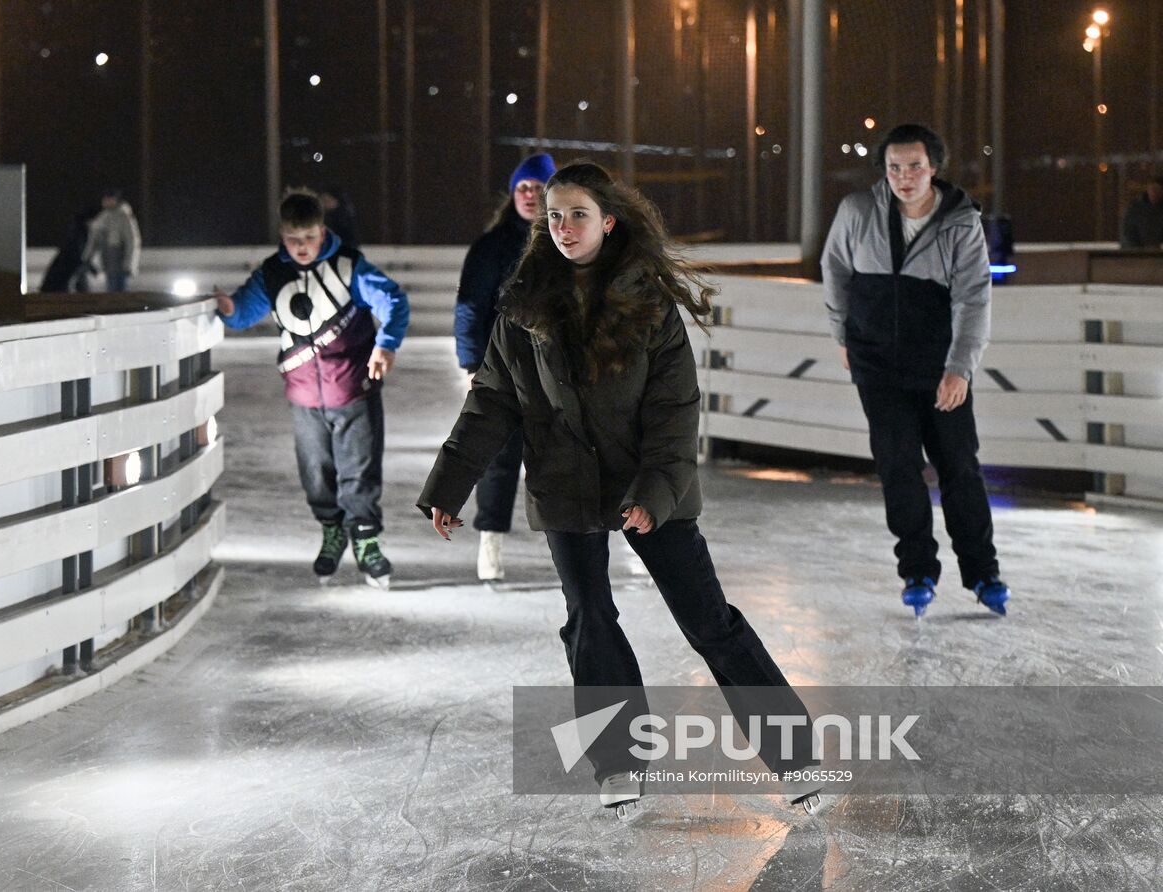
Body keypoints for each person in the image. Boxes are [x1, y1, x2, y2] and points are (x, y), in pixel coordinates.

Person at [418, 162, 818, 816]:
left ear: (608, 220)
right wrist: (451, 483)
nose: (564, 227)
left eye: (577, 214)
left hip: (648, 483)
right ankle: (618, 759)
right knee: (590, 618)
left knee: (709, 623)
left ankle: (797, 753)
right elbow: (492, 400)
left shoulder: (649, 302)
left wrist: (654, 494)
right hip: (566, 481)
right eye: (553, 216)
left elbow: (674, 411)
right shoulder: (524, 304)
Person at [821, 122, 1011, 618]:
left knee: (958, 465)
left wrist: (960, 369)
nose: (904, 177)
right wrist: (843, 333)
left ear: (934, 169)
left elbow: (973, 298)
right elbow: (836, 270)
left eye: (915, 167)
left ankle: (983, 571)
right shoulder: (857, 212)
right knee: (898, 466)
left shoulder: (960, 221)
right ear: (884, 170)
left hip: (938, 367)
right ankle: (918, 572)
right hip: (877, 365)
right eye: (895, 168)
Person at [216, 188, 410, 587]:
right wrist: (228, 308)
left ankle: (366, 540)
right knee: (316, 475)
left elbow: (393, 300)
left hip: (354, 388)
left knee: (359, 472)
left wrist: (385, 345)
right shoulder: (272, 273)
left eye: (309, 237)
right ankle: (332, 531)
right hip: (304, 396)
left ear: (323, 231)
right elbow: (242, 313)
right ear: (282, 236)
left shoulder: (349, 266)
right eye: (293, 239)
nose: (302, 247)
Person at [454, 152, 556, 581]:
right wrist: (470, 364)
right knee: (498, 457)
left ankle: (566, 543)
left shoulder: (566, 242)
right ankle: (490, 541)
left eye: (538, 188)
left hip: (556, 371)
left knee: (557, 459)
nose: (530, 195)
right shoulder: (491, 246)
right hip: (502, 368)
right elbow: (469, 307)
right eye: (523, 188)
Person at [83, 189, 141, 292]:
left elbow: (131, 241)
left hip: (120, 259)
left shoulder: (124, 216)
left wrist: (129, 264)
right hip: (107, 260)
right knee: (111, 288)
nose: (106, 202)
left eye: (109, 199)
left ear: (115, 200)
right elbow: (94, 239)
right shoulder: (103, 217)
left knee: (118, 288)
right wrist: (87, 257)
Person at [39, 205, 98, 293]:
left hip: (65, 272)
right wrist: (90, 267)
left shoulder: (79, 231)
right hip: (65, 273)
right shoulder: (81, 233)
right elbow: (76, 254)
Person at [1119, 175, 1163, 249]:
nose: (1154, 193)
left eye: (1157, 190)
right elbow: (1128, 233)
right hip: (1138, 254)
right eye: (1152, 189)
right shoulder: (1135, 209)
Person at [319, 188, 361, 253]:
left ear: (336, 201)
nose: (323, 204)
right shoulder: (329, 216)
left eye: (327, 200)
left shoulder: (341, 218)